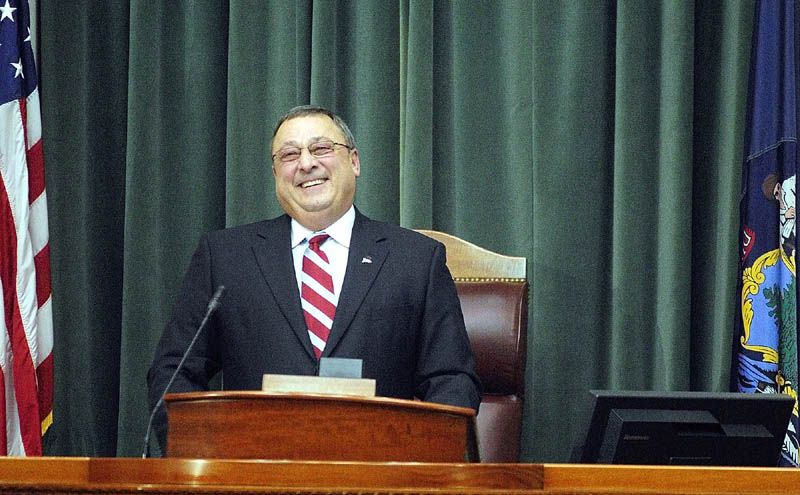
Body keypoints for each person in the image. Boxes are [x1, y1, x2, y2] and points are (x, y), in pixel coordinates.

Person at [147, 105, 481, 453]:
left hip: (381, 478)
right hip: (251, 480)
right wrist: (205, 462)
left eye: (321, 149)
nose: (306, 163)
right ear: (275, 172)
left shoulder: (415, 259)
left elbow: (452, 379)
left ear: (354, 161)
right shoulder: (226, 257)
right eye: (290, 154)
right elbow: (174, 371)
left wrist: (422, 470)